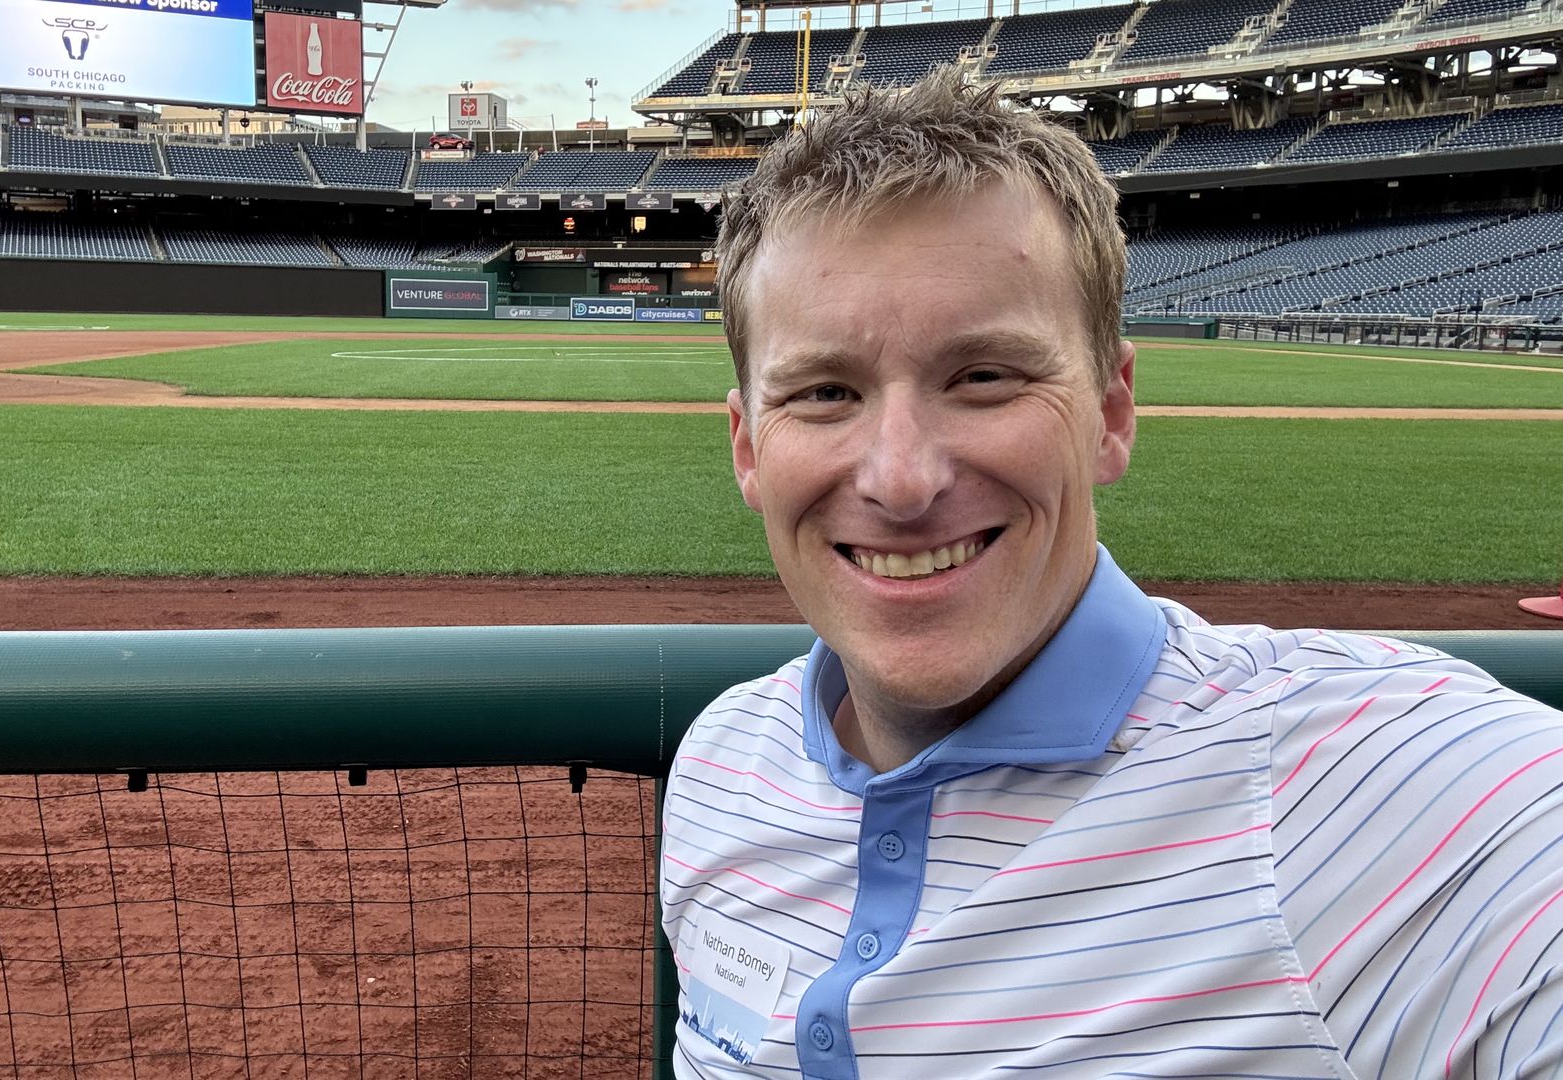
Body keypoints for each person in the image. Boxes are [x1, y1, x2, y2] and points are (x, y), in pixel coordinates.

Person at [662, 68, 1563, 1079]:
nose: (901, 479)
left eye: (986, 377)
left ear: (1112, 411)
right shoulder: (718, 772)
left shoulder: (1388, 783)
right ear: (747, 447)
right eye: (825, 392)